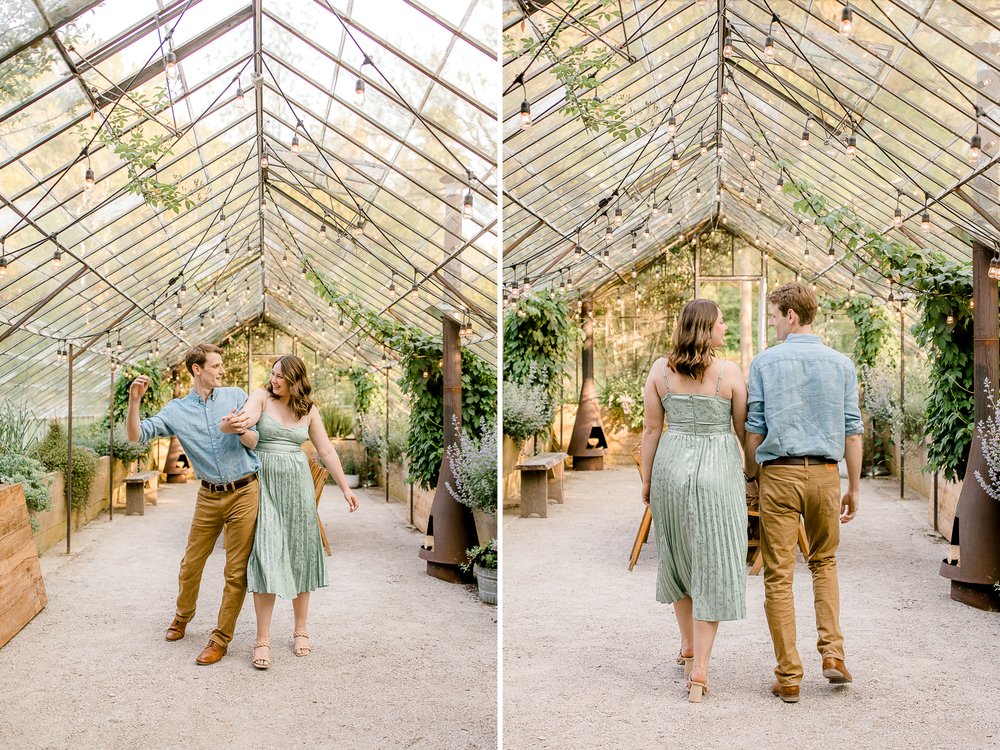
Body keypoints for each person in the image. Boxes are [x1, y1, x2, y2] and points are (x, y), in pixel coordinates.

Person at [743, 282, 863, 704]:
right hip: (827, 475)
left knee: (778, 573)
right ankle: (833, 655)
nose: (773, 323)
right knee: (824, 563)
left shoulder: (764, 363)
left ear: (791, 316)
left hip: (779, 474)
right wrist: (854, 485)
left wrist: (750, 474)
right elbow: (852, 429)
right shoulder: (841, 364)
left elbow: (754, 427)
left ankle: (790, 675)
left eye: (775, 315)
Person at [640, 299, 750, 703]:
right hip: (717, 472)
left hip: (670, 469)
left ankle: (687, 645)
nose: (726, 328)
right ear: (706, 329)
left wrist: (648, 481)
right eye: (722, 323)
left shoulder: (659, 371)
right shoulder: (730, 373)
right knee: (715, 562)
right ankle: (700, 671)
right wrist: (751, 474)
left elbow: (652, 430)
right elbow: (743, 431)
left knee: (679, 559)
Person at [126, 343, 260, 666]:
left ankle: (220, 638)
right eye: (215, 366)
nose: (222, 371)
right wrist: (134, 402)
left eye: (221, 365)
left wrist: (241, 431)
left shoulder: (236, 395)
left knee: (235, 570)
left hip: (244, 491)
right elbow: (135, 436)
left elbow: (256, 440)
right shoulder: (176, 411)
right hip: (208, 495)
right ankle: (182, 616)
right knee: (191, 564)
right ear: (197, 369)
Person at [233, 354, 359, 670]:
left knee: (300, 554)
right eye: (272, 374)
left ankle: (300, 629)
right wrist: (239, 423)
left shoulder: (309, 410)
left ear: (295, 380)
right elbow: (247, 419)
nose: (274, 380)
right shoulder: (260, 397)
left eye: (281, 377)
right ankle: (262, 638)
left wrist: (345, 487)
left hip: (298, 489)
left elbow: (326, 450)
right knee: (266, 553)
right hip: (265, 485)